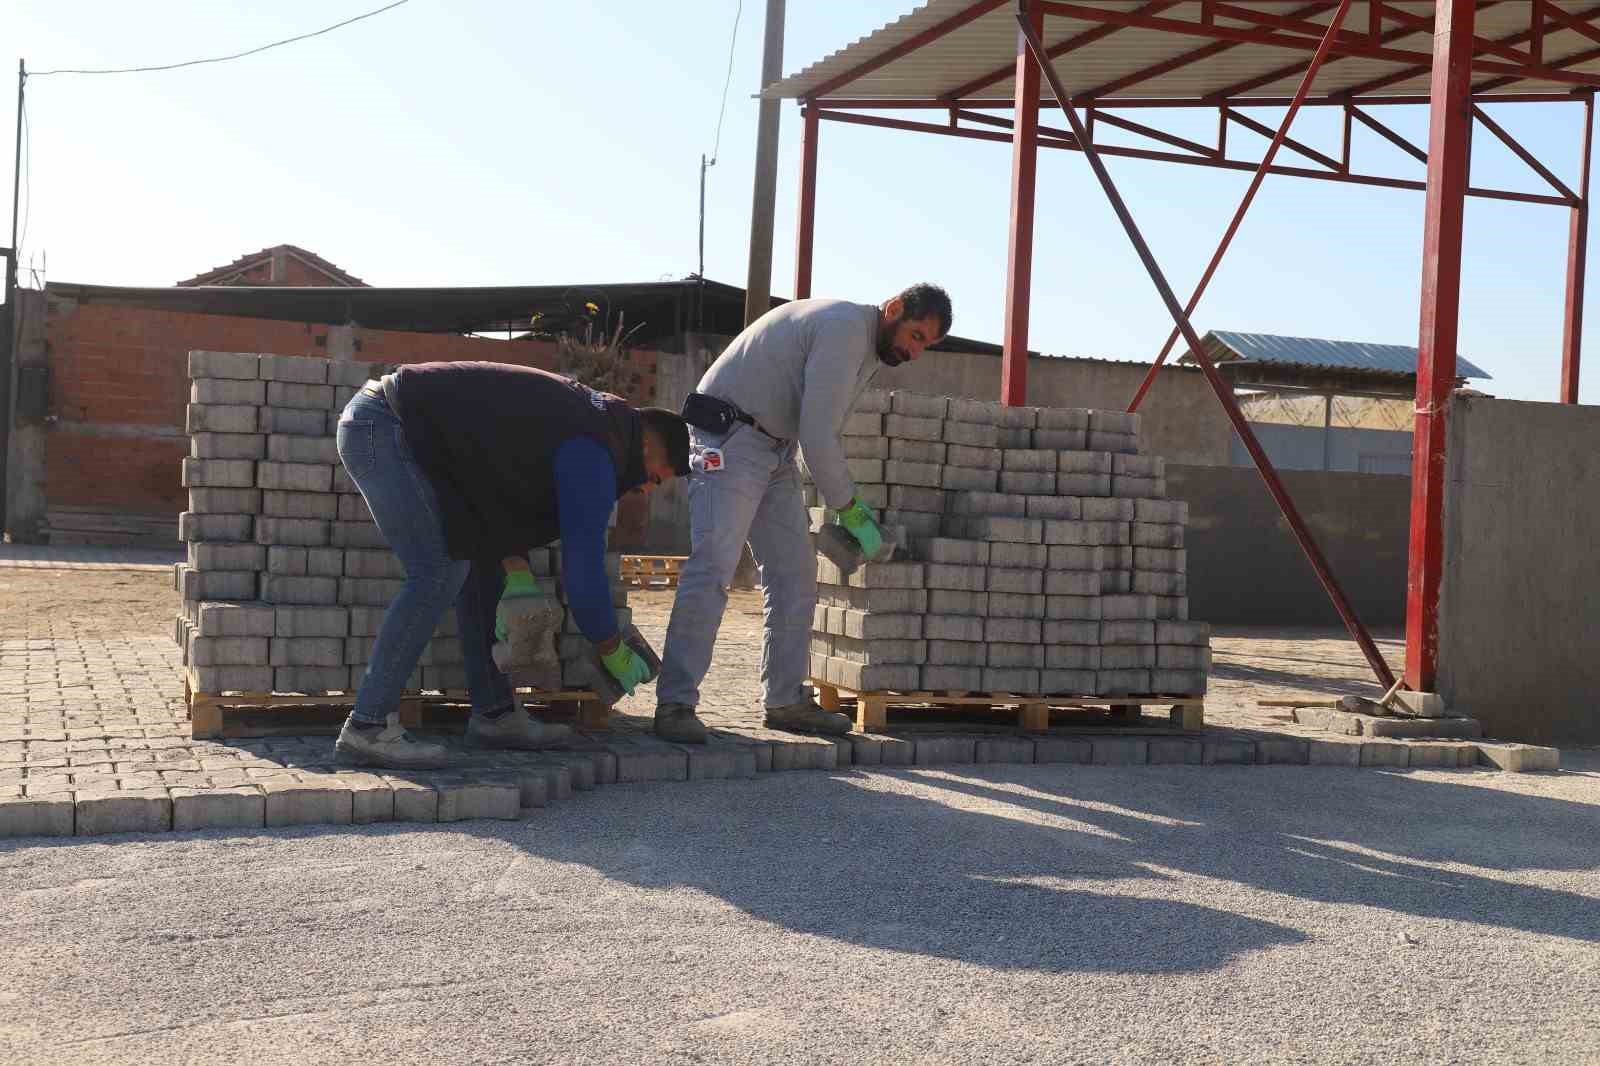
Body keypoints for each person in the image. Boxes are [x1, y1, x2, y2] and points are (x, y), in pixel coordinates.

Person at [332, 360, 690, 769]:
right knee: (437, 572)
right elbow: (583, 572)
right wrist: (611, 647)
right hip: (384, 426)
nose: (646, 489)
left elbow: (494, 486)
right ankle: (368, 727)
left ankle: (495, 716)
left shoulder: (598, 423)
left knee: (479, 566)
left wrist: (515, 568)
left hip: (405, 430)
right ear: (647, 448)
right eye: (656, 479)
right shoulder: (595, 448)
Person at [654, 283, 953, 743]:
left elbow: (817, 428)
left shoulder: (870, 348)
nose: (915, 353)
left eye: (926, 346)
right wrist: (849, 509)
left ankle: (785, 700)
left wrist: (842, 502)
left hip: (774, 448)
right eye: (915, 336)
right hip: (731, 438)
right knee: (713, 566)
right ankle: (675, 704)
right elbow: (818, 434)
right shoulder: (845, 330)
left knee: (795, 573)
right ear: (894, 309)